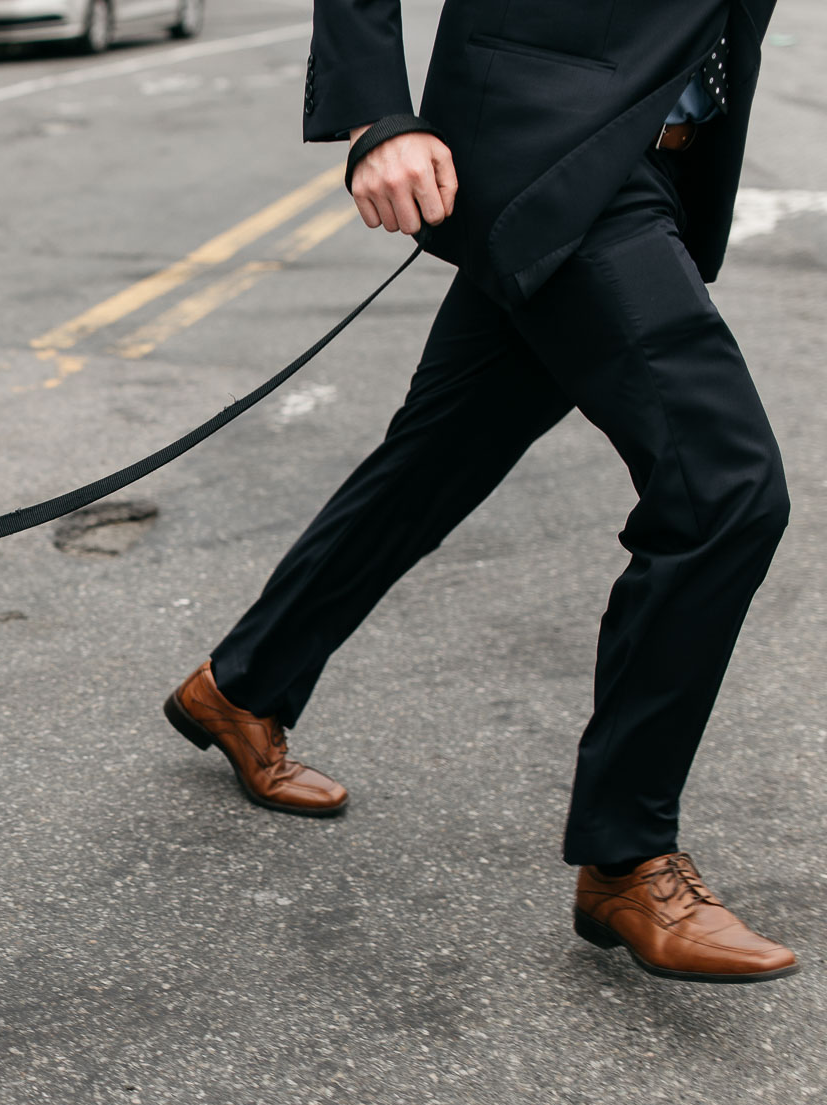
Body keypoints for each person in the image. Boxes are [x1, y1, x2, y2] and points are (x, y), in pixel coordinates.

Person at [163, 0, 798, 983]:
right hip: (547, 148)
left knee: (435, 461)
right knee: (725, 487)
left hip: (656, 157)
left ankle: (238, 686)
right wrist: (378, 114)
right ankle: (626, 859)